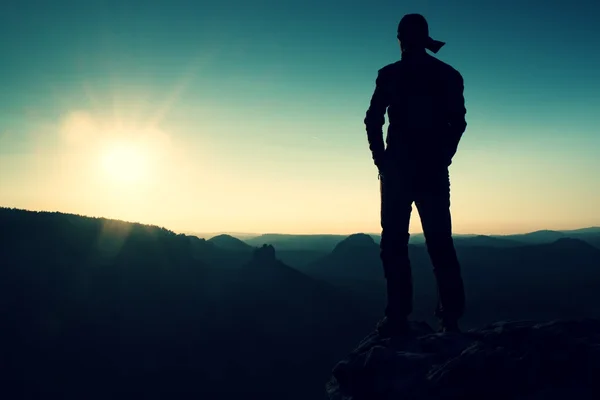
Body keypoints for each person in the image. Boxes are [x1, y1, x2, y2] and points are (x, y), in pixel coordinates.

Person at [364, 14, 467, 335]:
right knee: (440, 243)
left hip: (397, 171)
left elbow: (372, 119)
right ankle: (450, 319)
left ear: (400, 39)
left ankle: (397, 315)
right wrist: (444, 157)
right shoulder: (448, 75)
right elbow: (459, 123)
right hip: (432, 170)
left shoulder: (390, 75)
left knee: (394, 243)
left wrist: (381, 160)